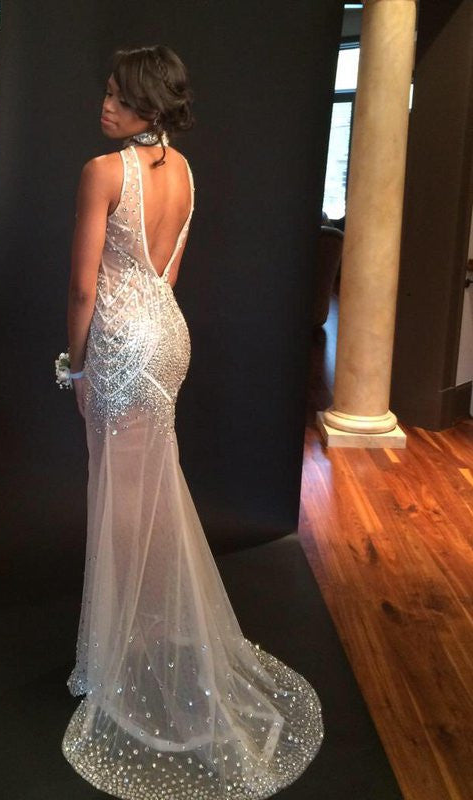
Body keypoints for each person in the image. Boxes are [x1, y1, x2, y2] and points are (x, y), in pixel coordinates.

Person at [60, 44, 324, 799]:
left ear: (148, 105)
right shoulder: (184, 171)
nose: (106, 105)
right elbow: (167, 271)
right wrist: (143, 325)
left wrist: (76, 364)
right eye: (107, 92)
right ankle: (138, 630)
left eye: (119, 97)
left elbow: (82, 288)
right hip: (168, 334)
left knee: (120, 494)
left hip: (119, 341)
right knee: (149, 485)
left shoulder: (103, 172)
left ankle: (121, 651)